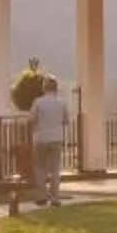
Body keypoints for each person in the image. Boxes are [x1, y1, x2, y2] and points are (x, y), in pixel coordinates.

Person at [28, 76, 70, 206]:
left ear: (44, 87)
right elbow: (66, 120)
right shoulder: (62, 103)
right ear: (56, 88)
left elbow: (31, 119)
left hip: (40, 138)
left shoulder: (38, 102)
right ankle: (55, 198)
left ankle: (41, 196)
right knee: (55, 169)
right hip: (56, 138)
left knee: (40, 168)